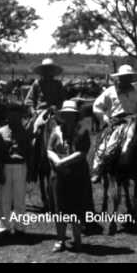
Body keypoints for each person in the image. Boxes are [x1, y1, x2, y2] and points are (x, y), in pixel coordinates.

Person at [47, 100, 93, 252]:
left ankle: (77, 238)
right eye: (66, 115)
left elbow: (82, 152)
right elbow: (49, 149)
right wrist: (57, 161)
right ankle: (60, 240)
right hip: (59, 174)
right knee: (59, 208)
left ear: (75, 116)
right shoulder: (56, 131)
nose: (68, 117)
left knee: (76, 207)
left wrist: (63, 162)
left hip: (77, 174)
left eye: (71, 115)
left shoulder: (82, 131)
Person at [91, 65, 137, 184]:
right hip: (116, 122)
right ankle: (98, 168)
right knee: (107, 146)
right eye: (123, 77)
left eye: (128, 77)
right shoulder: (110, 91)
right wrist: (105, 117)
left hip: (134, 122)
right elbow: (97, 106)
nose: (125, 80)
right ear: (119, 78)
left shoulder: (136, 92)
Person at [0, 102, 30, 238]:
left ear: (21, 116)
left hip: (21, 166)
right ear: (7, 116)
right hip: (6, 166)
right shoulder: (1, 132)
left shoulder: (25, 131)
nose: (15, 117)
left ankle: (20, 227)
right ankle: (4, 228)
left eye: (17, 114)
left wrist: (29, 169)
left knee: (20, 198)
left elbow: (28, 151)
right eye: (11, 114)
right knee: (5, 198)